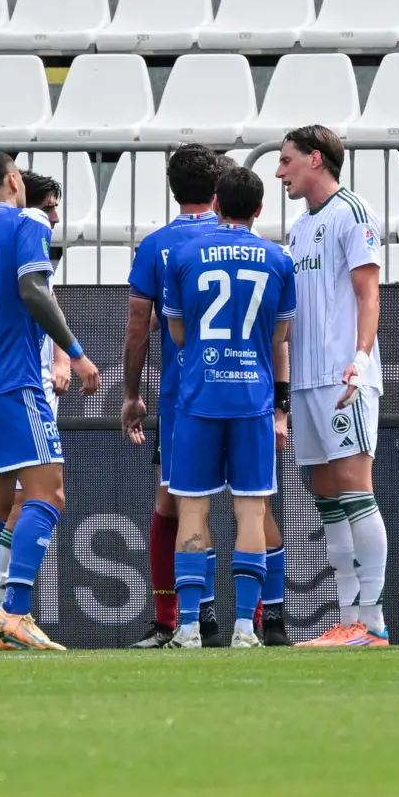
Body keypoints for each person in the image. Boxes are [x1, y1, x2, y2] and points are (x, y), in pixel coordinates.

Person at [0, 150, 100, 651]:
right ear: (14, 180)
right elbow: (33, 289)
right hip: (15, 379)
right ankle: (15, 612)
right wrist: (75, 354)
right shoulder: (28, 220)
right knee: (48, 494)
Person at [162, 164, 296, 648]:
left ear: (215, 202)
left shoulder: (183, 254)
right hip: (252, 401)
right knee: (252, 512)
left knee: (193, 512)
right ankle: (245, 627)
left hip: (197, 399)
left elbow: (176, 333)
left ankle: (190, 628)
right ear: (259, 209)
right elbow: (279, 335)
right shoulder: (279, 260)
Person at [274, 125, 392, 648]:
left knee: (355, 490)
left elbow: (370, 295)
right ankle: (349, 620)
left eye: (286, 161)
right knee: (328, 500)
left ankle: (373, 621)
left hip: (344, 377)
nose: (279, 172)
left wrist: (361, 360)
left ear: (315, 160)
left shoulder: (353, 213)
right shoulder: (299, 229)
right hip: (305, 381)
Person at [120, 145, 228, 648]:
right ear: (216, 189)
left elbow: (138, 327)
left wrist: (131, 394)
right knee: (255, 504)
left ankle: (176, 619)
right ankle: (258, 622)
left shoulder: (157, 246)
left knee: (174, 505)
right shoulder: (246, 241)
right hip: (246, 392)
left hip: (185, 395)